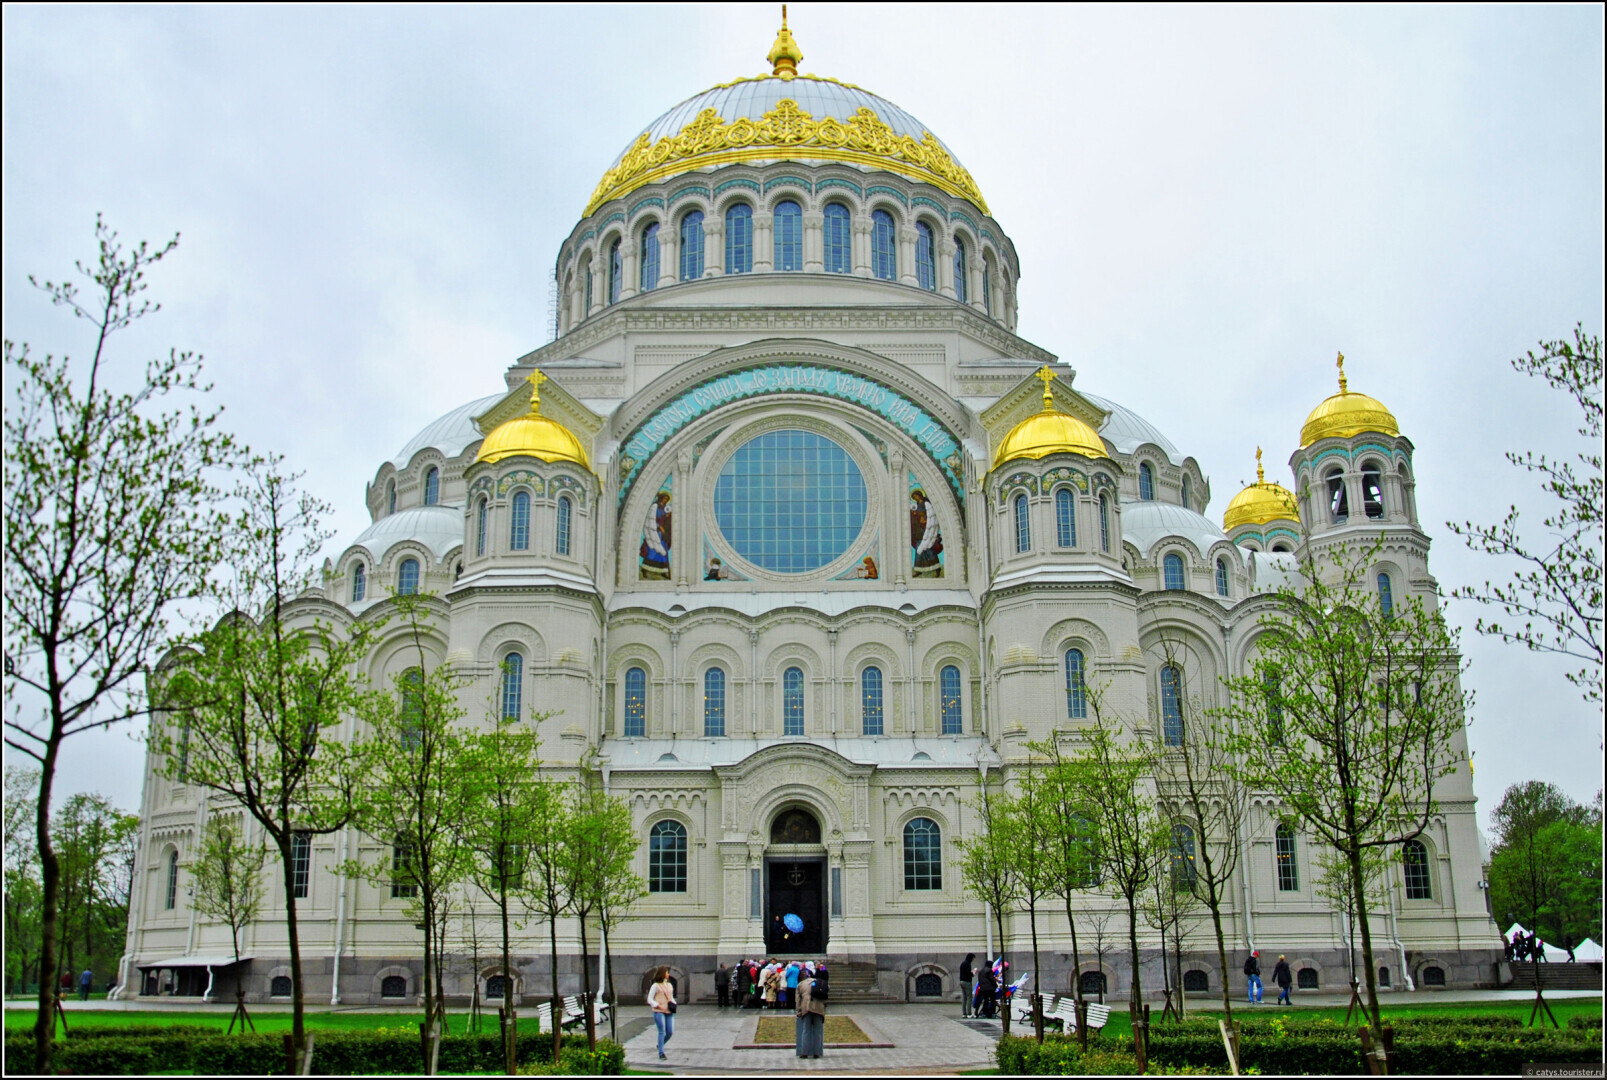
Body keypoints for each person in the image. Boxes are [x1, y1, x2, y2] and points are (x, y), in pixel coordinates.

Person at [795, 961, 827, 1058]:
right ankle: (817, 1053)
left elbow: (797, 1000)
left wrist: (798, 1011)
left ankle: (804, 1052)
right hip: (819, 1008)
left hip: (806, 1008)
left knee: (806, 1031)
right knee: (817, 1032)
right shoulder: (819, 982)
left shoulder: (800, 985)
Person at [648, 966, 675, 1060]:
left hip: (669, 1011)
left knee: (670, 1032)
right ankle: (661, 1053)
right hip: (659, 1011)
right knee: (662, 1031)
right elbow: (649, 999)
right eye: (667, 972)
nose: (668, 974)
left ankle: (660, 1044)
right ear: (663, 973)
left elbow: (671, 997)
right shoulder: (655, 986)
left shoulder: (669, 985)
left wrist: (674, 1004)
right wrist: (656, 1004)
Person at [959, 953, 976, 1017]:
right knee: (969, 997)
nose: (973, 960)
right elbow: (968, 973)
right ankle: (969, 1013)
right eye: (973, 958)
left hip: (961, 981)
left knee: (964, 997)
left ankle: (964, 1013)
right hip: (967, 982)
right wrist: (973, 973)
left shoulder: (963, 963)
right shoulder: (968, 964)